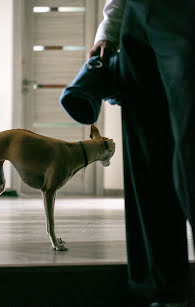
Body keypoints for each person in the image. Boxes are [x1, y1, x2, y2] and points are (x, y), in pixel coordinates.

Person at [88, 0, 194, 306]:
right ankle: (166, 290)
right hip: (138, 16)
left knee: (189, 153)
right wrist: (110, 27)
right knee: (147, 156)